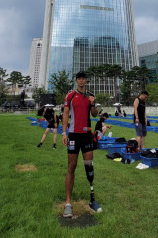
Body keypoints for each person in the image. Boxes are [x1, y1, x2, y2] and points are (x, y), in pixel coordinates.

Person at [62, 71, 100, 218]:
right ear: (76, 80)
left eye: (84, 78)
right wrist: (64, 133)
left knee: (89, 166)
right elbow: (65, 114)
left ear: (86, 80)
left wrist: (93, 103)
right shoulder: (70, 95)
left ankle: (92, 200)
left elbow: (95, 114)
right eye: (79, 78)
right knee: (71, 166)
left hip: (87, 135)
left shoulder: (90, 96)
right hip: (73, 135)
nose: (81, 80)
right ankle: (68, 203)